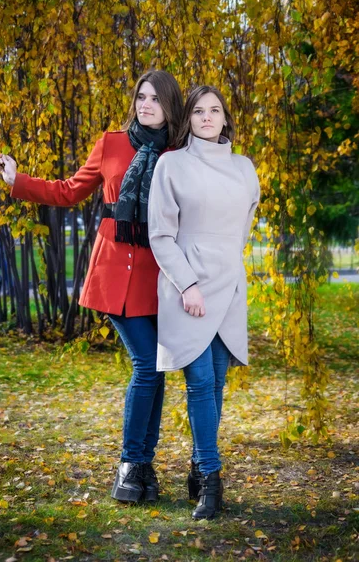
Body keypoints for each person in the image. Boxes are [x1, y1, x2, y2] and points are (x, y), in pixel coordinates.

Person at [0, 70, 184, 504]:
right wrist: (17, 182)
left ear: (169, 105)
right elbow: (69, 191)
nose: (145, 104)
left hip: (160, 276)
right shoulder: (112, 142)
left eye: (155, 98)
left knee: (158, 373)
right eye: (140, 96)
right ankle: (129, 466)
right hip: (114, 273)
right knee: (147, 367)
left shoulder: (180, 152)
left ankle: (144, 469)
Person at [148, 85, 260, 520]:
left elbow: (243, 229)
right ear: (189, 119)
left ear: (225, 118)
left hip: (228, 286)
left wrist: (227, 273)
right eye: (199, 111)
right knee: (198, 381)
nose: (208, 117)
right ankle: (211, 481)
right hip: (186, 288)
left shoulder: (245, 168)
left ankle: (198, 464)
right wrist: (187, 284)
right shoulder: (171, 166)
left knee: (216, 382)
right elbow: (161, 233)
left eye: (215, 110)